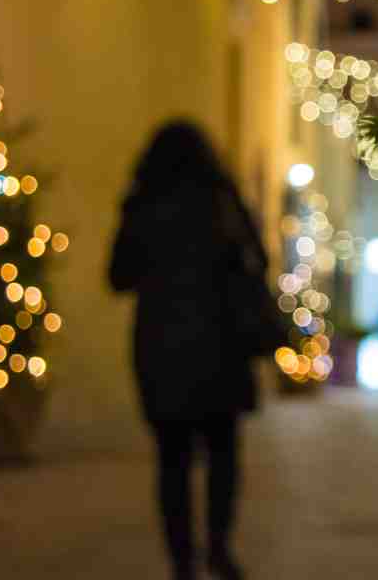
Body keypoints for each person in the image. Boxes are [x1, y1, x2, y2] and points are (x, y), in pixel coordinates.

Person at [109, 121, 264, 580]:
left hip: (160, 349)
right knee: (223, 453)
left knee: (172, 460)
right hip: (222, 346)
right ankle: (218, 547)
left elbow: (118, 277)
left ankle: (182, 563)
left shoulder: (141, 206)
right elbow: (260, 261)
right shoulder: (225, 202)